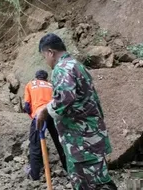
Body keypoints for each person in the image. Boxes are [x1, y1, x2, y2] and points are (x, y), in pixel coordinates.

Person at [36, 33, 117, 190]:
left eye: (44, 56)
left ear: (50, 52)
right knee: (83, 183)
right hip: (81, 141)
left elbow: (64, 99)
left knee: (98, 184)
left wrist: (45, 110)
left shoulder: (62, 68)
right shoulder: (75, 65)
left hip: (83, 140)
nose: (46, 62)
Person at [24, 70, 67, 180]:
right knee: (60, 142)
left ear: (36, 77)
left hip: (39, 115)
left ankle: (34, 174)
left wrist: (33, 116)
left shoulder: (30, 84)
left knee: (35, 145)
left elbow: (27, 106)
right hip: (52, 114)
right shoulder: (50, 85)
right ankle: (69, 169)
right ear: (46, 78)